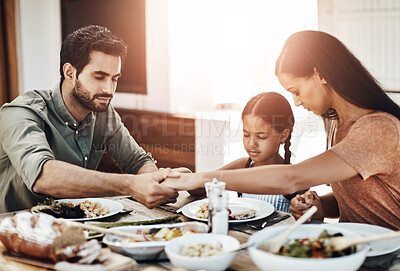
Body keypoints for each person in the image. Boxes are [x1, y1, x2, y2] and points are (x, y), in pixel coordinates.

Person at [163, 30, 400, 230]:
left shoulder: (378, 129)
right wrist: (319, 206)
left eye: (296, 90)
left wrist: (200, 177)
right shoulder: (338, 125)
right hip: (360, 248)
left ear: (320, 75)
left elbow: (290, 177)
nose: (296, 101)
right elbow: (355, 202)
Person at [0, 25, 178, 213]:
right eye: (99, 77)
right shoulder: (21, 113)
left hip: (77, 225)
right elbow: (43, 176)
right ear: (70, 73)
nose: (109, 90)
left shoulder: (103, 112)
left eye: (114, 79)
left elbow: (137, 161)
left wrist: (156, 182)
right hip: (12, 228)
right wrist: (132, 184)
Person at [219, 92, 300, 212]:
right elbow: (201, 186)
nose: (252, 143)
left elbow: (314, 217)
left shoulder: (295, 176)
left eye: (261, 137)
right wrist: (183, 174)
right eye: (246, 135)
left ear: (283, 135)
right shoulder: (242, 167)